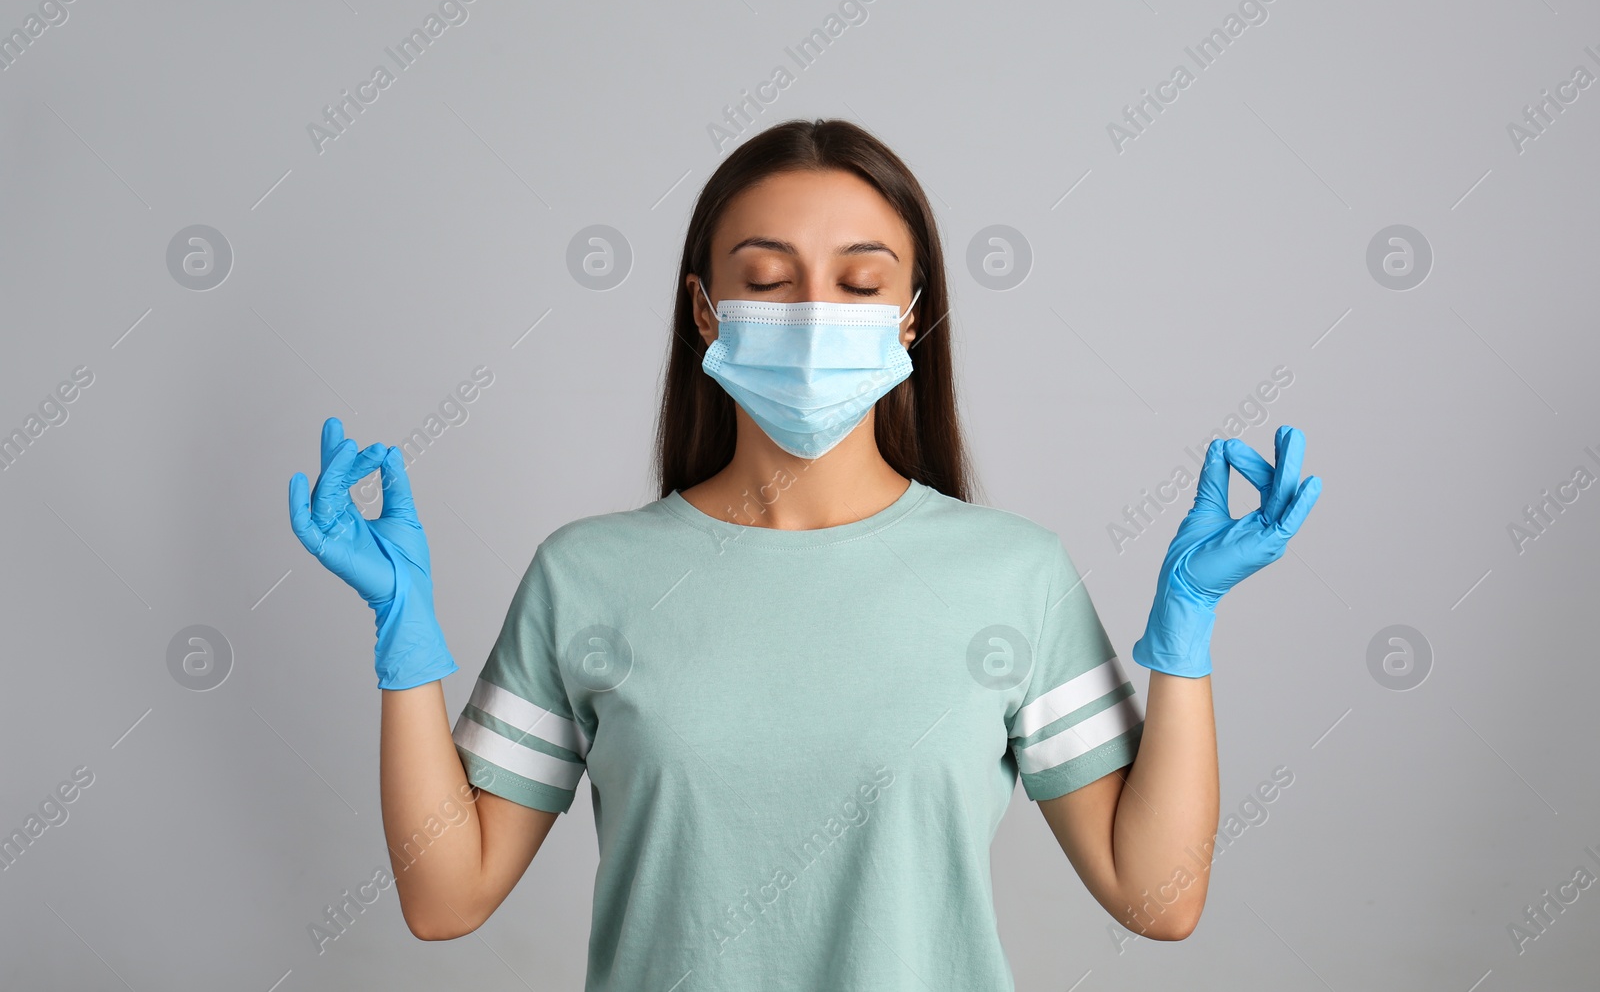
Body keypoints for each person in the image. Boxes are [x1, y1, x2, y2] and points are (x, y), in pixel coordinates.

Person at [287, 118, 1321, 990]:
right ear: (705, 310)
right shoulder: (586, 576)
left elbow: (1157, 895)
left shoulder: (1013, 576)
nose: (814, 314)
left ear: (911, 314)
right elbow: (444, 895)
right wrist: (403, 637)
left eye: (860, 282)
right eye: (769, 279)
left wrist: (1183, 628)